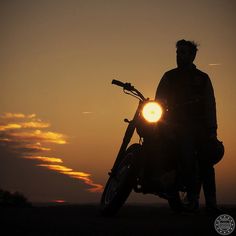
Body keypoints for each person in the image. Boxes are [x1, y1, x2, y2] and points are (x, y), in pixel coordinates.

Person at [155, 39, 221, 213]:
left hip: (200, 128)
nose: (179, 56)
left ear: (192, 56)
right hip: (177, 127)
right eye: (178, 52)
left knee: (206, 163)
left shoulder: (202, 78)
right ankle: (192, 199)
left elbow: (210, 105)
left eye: (183, 52)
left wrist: (212, 130)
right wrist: (163, 124)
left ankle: (212, 203)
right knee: (187, 159)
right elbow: (159, 101)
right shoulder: (169, 76)